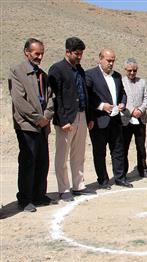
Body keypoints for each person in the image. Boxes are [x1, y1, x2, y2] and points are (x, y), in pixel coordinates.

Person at [9, 38, 54, 212]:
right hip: (27, 126)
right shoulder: (17, 72)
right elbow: (19, 101)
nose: (40, 56)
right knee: (28, 161)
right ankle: (25, 198)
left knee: (43, 161)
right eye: (36, 53)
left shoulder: (43, 74)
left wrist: (47, 116)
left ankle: (39, 195)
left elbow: (50, 98)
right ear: (27, 52)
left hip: (43, 126)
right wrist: (37, 118)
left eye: (42, 53)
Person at [48, 37, 96, 202]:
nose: (79, 56)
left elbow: (84, 94)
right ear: (67, 52)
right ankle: (63, 189)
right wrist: (62, 120)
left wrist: (89, 117)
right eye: (77, 53)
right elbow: (55, 97)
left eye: (81, 53)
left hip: (82, 116)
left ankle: (78, 185)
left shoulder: (80, 70)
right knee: (62, 155)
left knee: (79, 153)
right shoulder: (57, 69)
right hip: (66, 119)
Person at [86, 48, 132, 189]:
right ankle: (103, 180)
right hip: (99, 120)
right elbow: (87, 96)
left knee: (118, 150)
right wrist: (100, 106)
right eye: (108, 60)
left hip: (115, 120)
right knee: (100, 152)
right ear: (100, 59)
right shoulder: (90, 75)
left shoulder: (117, 76)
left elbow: (123, 93)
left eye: (113, 60)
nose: (111, 63)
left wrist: (123, 103)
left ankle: (120, 178)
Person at [121, 58, 147, 178]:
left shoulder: (142, 82)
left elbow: (146, 98)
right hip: (126, 119)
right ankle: (123, 172)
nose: (132, 73)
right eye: (129, 70)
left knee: (141, 146)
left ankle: (142, 169)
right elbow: (120, 98)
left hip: (140, 118)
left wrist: (140, 110)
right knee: (124, 147)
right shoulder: (121, 81)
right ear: (125, 70)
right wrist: (131, 110)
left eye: (134, 70)